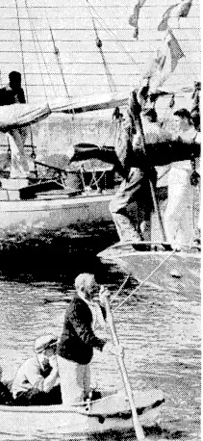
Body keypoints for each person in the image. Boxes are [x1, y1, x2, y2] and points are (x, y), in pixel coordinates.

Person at [110, 89, 201, 242]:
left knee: (115, 206)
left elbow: (125, 155)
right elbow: (183, 141)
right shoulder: (164, 132)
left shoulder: (139, 132)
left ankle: (133, 238)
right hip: (151, 174)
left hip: (138, 172)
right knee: (144, 210)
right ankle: (147, 241)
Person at [57, 273, 123, 405]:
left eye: (96, 284)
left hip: (84, 357)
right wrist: (109, 348)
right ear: (82, 289)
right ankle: (74, 418)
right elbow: (86, 335)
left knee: (86, 392)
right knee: (74, 399)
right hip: (70, 358)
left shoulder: (90, 304)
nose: (97, 288)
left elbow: (97, 320)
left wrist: (104, 303)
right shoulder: (75, 308)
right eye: (92, 286)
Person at [162, 108, 200, 248]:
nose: (176, 124)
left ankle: (171, 244)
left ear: (185, 119)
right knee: (184, 215)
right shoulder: (177, 136)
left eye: (177, 120)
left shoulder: (197, 137)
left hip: (185, 176)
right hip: (174, 175)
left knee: (171, 214)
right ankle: (185, 246)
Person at [0, 71, 32, 179]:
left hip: (22, 123)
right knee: (17, 147)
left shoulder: (20, 91)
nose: (19, 83)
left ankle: (14, 172)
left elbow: (23, 105)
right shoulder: (2, 92)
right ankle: (25, 172)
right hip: (10, 125)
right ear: (11, 80)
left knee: (18, 149)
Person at [11, 335, 61, 406]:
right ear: (44, 352)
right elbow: (44, 388)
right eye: (54, 348)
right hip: (23, 394)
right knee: (37, 394)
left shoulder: (50, 362)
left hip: (40, 391)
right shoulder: (31, 364)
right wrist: (56, 369)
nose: (57, 351)